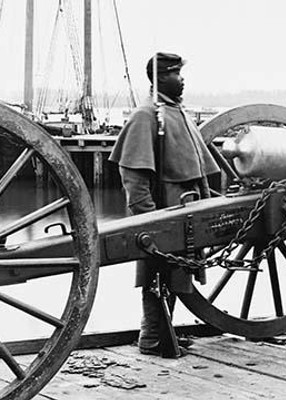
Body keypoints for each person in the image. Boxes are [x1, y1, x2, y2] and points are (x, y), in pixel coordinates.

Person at [109, 52, 220, 357]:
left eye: (180, 73)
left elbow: (198, 171)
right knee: (156, 276)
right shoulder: (146, 116)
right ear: (159, 79)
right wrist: (149, 218)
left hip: (186, 210)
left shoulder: (176, 112)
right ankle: (152, 336)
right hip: (165, 212)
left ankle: (162, 332)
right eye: (174, 73)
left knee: (175, 275)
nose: (181, 79)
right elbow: (133, 177)